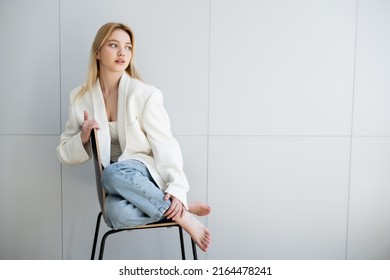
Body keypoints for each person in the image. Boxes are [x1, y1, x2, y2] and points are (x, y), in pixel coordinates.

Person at [57, 22, 211, 252]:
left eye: (128, 47)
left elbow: (165, 144)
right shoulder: (80, 98)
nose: (122, 53)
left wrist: (177, 188)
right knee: (115, 214)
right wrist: (83, 136)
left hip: (140, 173)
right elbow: (63, 153)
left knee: (112, 172)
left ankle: (182, 216)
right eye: (113, 45)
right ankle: (182, 211)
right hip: (119, 184)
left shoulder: (145, 94)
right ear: (98, 52)